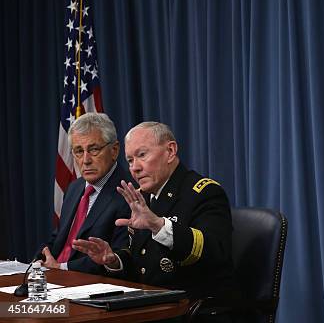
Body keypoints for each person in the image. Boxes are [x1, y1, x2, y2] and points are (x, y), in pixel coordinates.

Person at [73, 121, 236, 301]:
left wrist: (159, 225)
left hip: (190, 307)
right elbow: (142, 262)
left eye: (142, 155)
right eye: (130, 160)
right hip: (150, 304)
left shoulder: (204, 192)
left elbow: (212, 251)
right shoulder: (143, 197)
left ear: (170, 151)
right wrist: (113, 260)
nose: (135, 167)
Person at [41, 112, 131, 274]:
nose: (86, 160)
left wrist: (61, 268)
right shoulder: (75, 188)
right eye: (78, 151)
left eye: (94, 149)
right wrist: (36, 264)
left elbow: (116, 257)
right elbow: (57, 239)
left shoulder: (127, 193)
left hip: (86, 284)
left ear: (114, 150)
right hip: (54, 278)